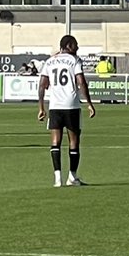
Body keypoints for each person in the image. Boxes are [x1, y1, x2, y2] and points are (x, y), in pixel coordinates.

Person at [39, 34, 92, 187]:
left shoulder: (50, 61)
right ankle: (72, 177)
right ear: (68, 45)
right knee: (74, 142)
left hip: (55, 107)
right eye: (75, 44)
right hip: (71, 106)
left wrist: (41, 107)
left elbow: (42, 85)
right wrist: (89, 103)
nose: (78, 47)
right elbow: (81, 82)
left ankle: (57, 179)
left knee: (55, 142)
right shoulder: (75, 60)